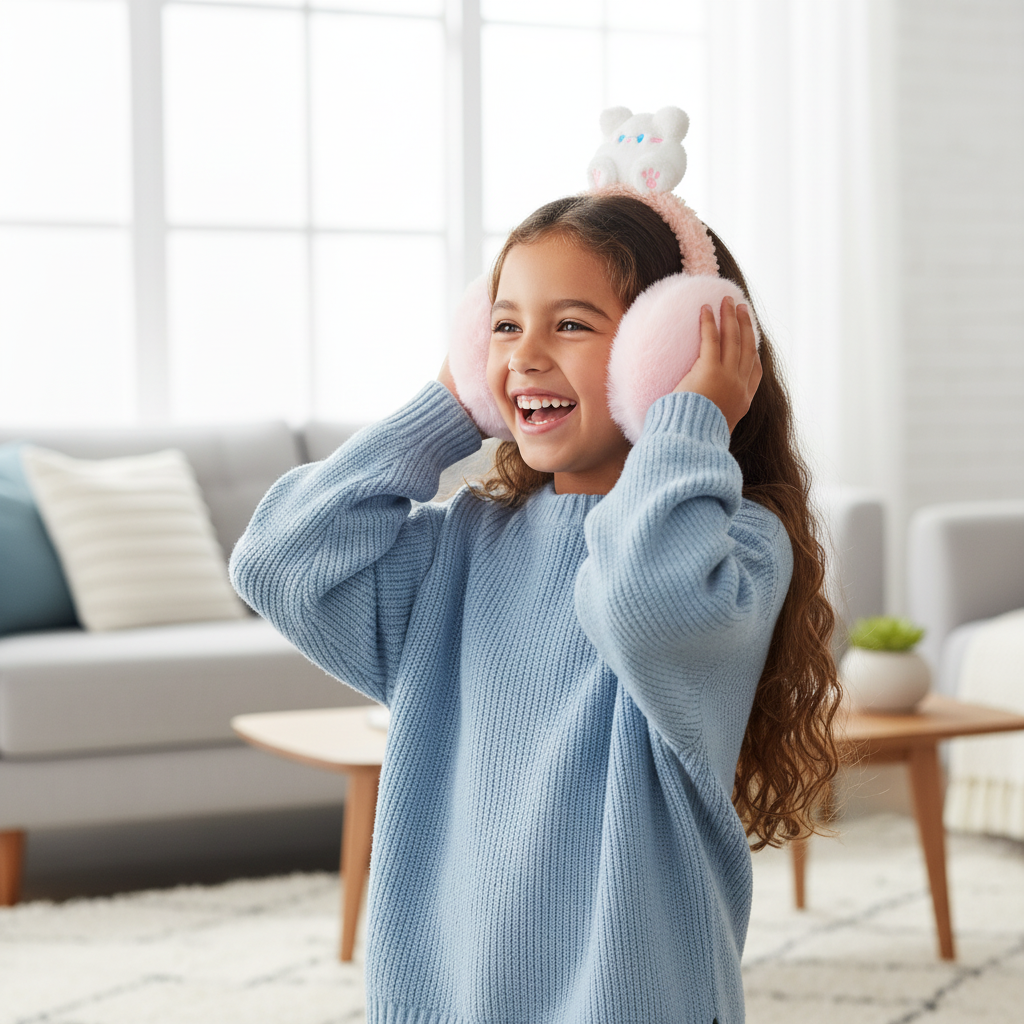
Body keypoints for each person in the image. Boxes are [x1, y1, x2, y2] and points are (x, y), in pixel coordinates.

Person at [230, 188, 842, 1024]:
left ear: (663, 357)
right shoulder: (463, 546)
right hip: (446, 995)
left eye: (572, 324)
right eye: (504, 324)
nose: (522, 355)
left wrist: (686, 423)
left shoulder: (732, 550)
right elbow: (279, 560)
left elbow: (641, 604)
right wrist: (445, 412)